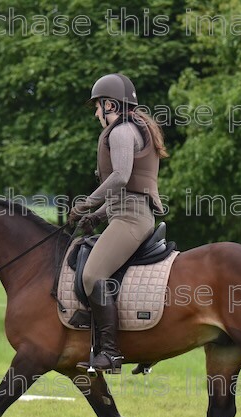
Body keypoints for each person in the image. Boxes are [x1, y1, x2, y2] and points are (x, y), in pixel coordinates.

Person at [68, 73, 169, 374]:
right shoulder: (135, 128)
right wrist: (96, 217)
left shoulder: (121, 131)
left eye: (98, 107)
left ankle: (110, 354)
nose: (97, 113)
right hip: (127, 214)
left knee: (92, 275)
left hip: (131, 219)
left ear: (110, 104)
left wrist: (86, 203)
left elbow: (121, 177)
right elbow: (129, 189)